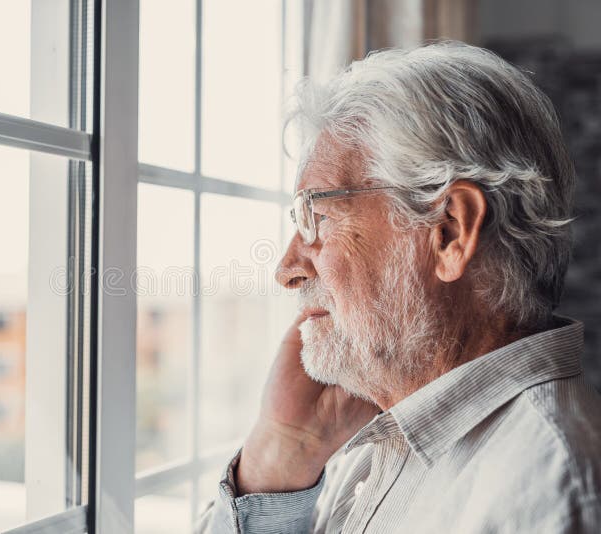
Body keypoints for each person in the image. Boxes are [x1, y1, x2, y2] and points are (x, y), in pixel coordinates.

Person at [196, 41, 601, 533]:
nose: (287, 269)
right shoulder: (369, 438)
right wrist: (282, 452)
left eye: (317, 217)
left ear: (450, 229)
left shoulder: (548, 490)